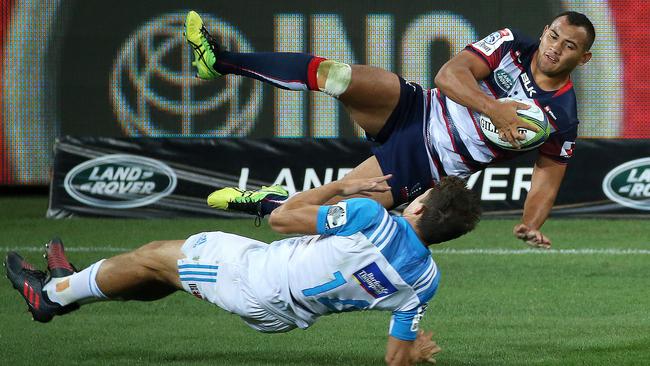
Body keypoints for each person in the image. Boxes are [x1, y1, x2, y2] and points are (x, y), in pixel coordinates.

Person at [184, 10, 595, 249]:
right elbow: (450, 75)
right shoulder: (510, 44)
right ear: (544, 31)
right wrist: (495, 110)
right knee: (338, 76)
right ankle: (218, 62)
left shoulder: (563, 114)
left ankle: (269, 203)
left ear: (584, 58)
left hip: (427, 165)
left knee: (327, 220)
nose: (554, 47)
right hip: (416, 108)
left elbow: (547, 176)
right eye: (553, 35)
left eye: (568, 46)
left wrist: (532, 222)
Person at [5, 175, 481, 366]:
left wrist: (343, 186)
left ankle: (54, 294)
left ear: (420, 208)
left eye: (420, 198)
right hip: (285, 315)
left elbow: (281, 220)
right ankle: (75, 288)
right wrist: (415, 351)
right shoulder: (425, 281)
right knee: (162, 274)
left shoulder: (371, 218)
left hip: (254, 278)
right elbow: (396, 359)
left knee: (153, 254)